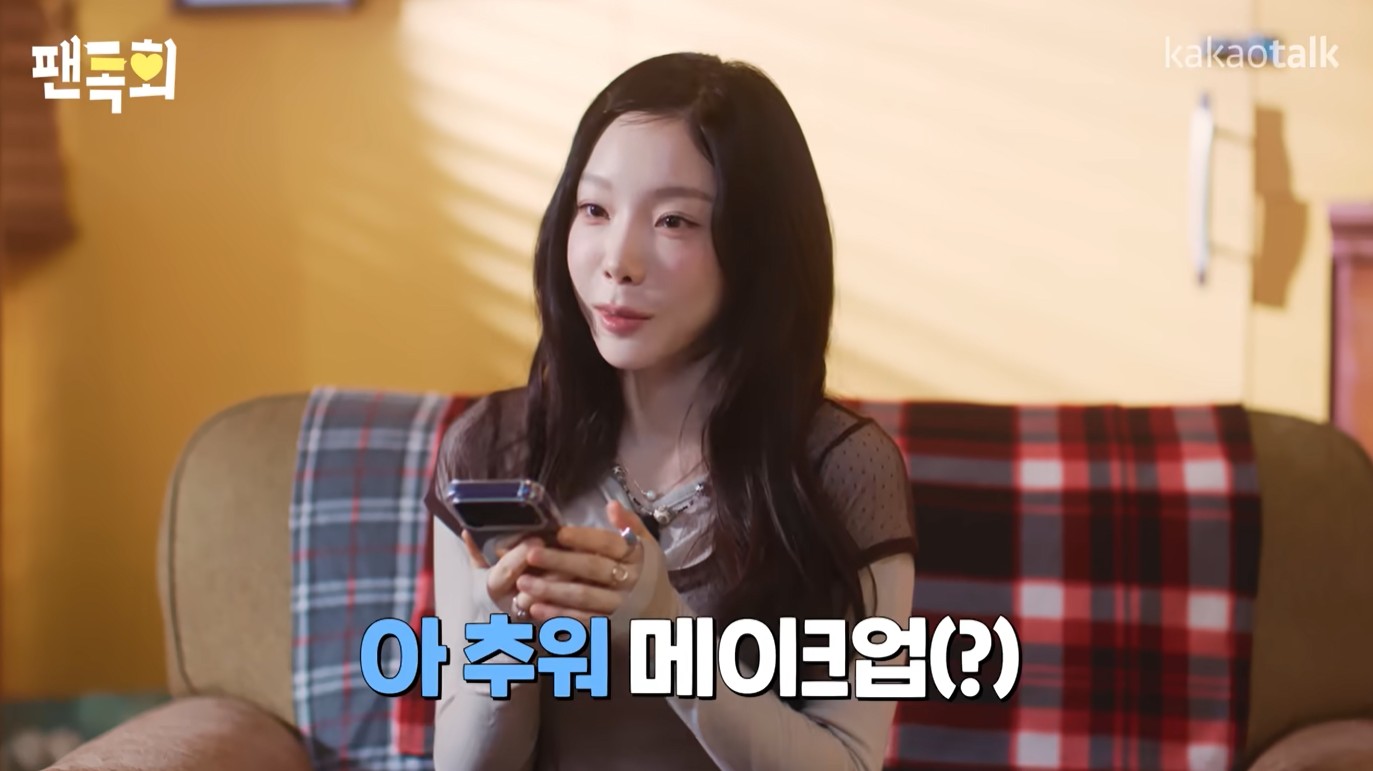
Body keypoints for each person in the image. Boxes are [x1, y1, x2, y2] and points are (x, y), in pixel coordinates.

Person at [427, 51, 918, 771]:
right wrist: (498, 628)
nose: (618, 260)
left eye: (674, 220)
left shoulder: (840, 469)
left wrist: (663, 628)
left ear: (758, 248)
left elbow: (849, 761)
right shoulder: (493, 448)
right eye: (594, 209)